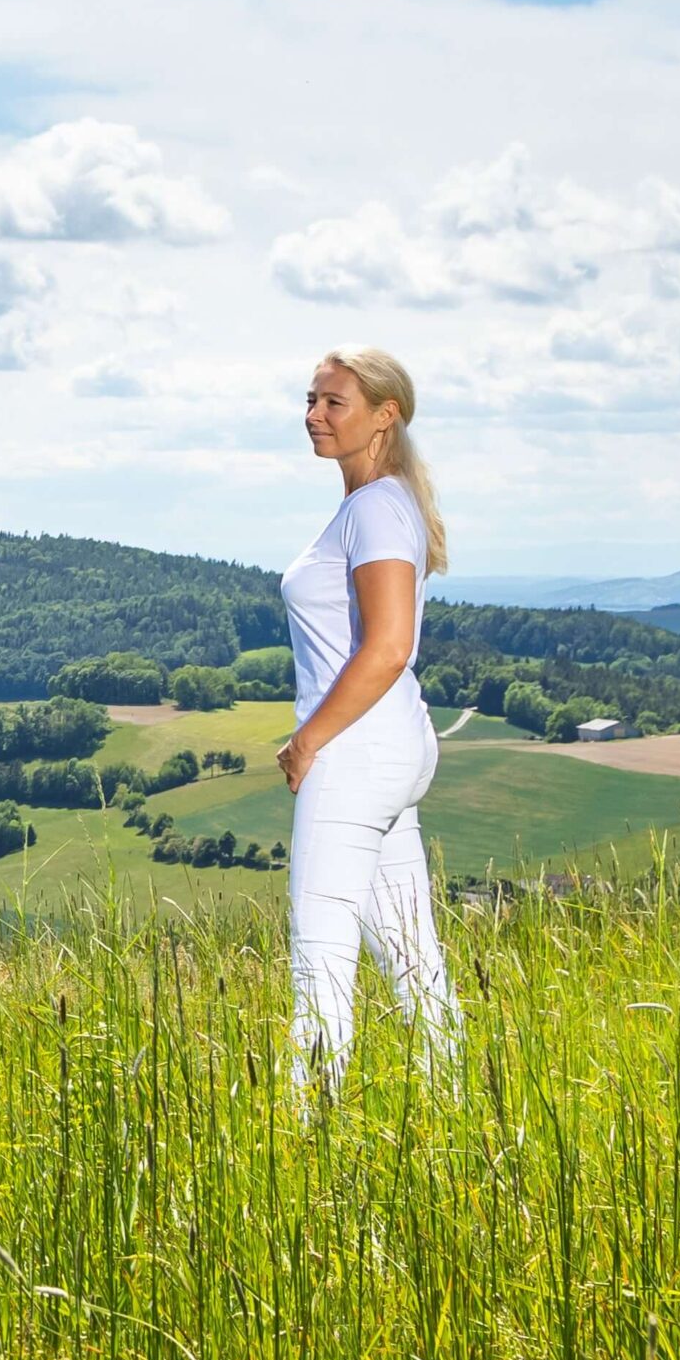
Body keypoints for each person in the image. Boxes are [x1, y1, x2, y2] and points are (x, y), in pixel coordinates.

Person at [276, 344, 461, 1097]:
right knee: (415, 962)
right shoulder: (380, 504)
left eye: (333, 402)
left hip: (356, 755)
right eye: (311, 400)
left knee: (319, 960)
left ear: (385, 415)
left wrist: (308, 740)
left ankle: (306, 1132)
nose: (314, 415)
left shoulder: (377, 508)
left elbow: (388, 646)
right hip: (391, 748)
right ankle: (453, 1112)